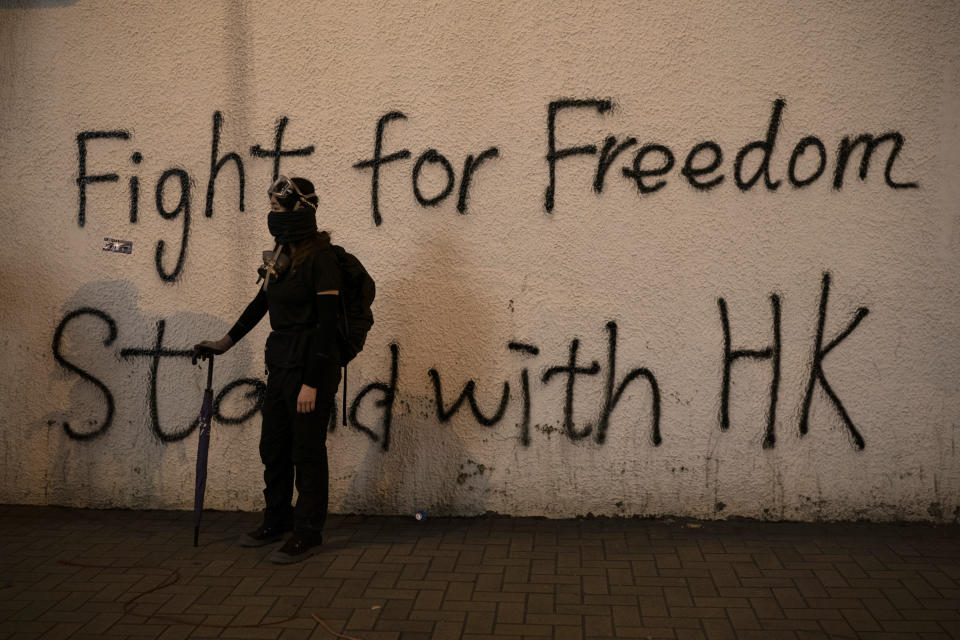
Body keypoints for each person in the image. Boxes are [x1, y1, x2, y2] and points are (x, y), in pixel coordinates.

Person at [194, 175, 341, 564]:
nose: (272, 214)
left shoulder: (322, 258)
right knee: (273, 446)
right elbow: (262, 303)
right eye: (272, 207)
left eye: (278, 207)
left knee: (306, 451)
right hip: (280, 363)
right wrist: (225, 342)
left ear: (299, 209)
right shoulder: (283, 251)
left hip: (312, 365)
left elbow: (328, 328)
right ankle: (278, 519)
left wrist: (311, 382)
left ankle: (308, 532)